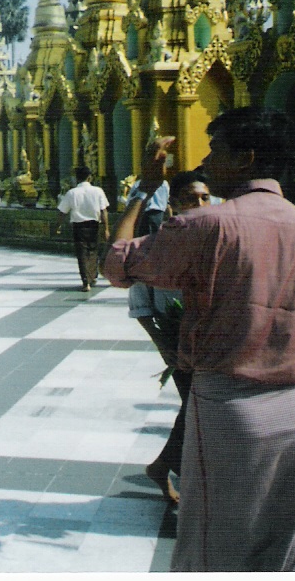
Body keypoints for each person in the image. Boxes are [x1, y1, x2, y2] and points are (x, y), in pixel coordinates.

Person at [103, 107, 295, 573]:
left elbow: (117, 263)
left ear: (245, 159)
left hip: (229, 411)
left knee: (214, 550)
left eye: (216, 150)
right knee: (286, 550)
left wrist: (144, 188)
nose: (205, 160)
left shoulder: (207, 226)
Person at [126, 170, 212, 506]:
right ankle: (174, 470)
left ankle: (165, 467)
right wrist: (164, 345)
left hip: (217, 340)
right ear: (173, 204)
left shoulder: (221, 241)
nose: (199, 204)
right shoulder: (155, 246)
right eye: (191, 198)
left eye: (205, 198)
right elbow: (141, 305)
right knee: (198, 407)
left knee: (200, 408)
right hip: (178, 342)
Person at [56, 166, 109, 292]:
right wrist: (106, 228)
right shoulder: (98, 191)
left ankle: (86, 282)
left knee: (82, 253)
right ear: (90, 177)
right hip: (94, 225)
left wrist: (58, 225)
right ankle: (92, 276)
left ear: (76, 178)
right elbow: (104, 211)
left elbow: (62, 212)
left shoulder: (72, 193)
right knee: (93, 250)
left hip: (79, 227)